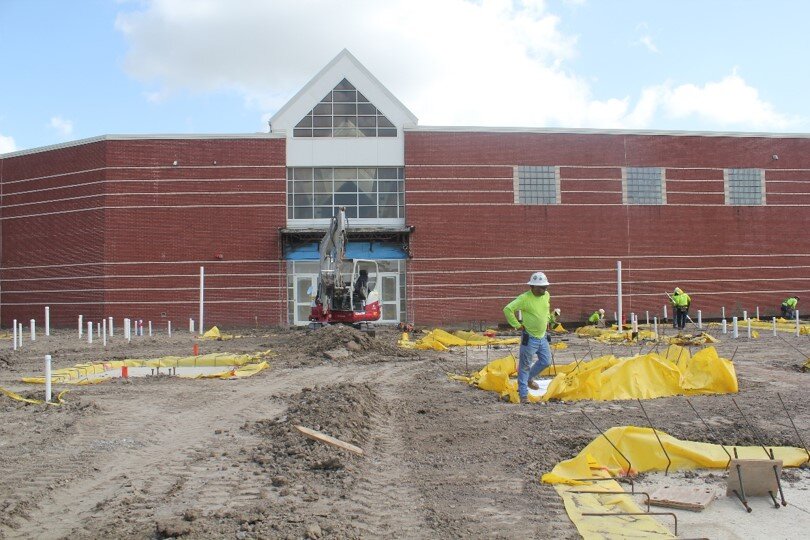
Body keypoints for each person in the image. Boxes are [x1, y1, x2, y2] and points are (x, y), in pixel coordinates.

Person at [503, 272, 552, 404]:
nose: (544, 290)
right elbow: (507, 309)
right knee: (524, 366)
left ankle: (529, 378)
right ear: (532, 286)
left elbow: (546, 309)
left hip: (542, 337)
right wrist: (517, 325)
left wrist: (547, 321)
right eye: (541, 287)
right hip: (529, 338)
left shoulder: (546, 295)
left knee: (546, 361)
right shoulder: (524, 298)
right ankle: (523, 395)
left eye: (546, 287)